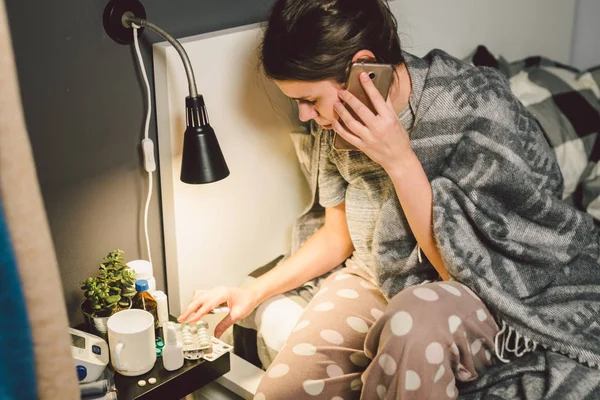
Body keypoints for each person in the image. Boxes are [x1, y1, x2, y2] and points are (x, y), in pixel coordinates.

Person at [179, 0, 600, 399]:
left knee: (413, 321)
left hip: (472, 286)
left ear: (362, 70)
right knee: (286, 388)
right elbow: (337, 237)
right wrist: (251, 291)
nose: (305, 116)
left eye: (309, 100)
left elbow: (462, 269)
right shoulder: (336, 123)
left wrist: (399, 160)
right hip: (377, 274)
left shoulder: (475, 104)